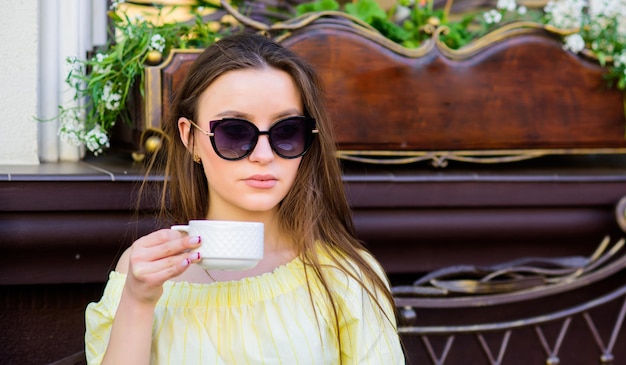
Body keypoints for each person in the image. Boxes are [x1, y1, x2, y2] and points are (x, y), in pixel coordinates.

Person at [85, 32, 405, 364]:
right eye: (235, 132)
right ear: (190, 137)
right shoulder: (142, 272)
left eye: (286, 131)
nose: (263, 155)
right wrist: (138, 301)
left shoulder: (344, 276)